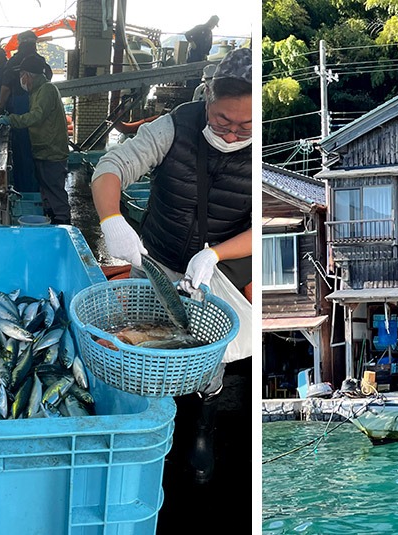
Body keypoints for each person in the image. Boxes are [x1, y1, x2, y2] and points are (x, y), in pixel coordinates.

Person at [90, 47, 252, 486]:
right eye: (222, 120)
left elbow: (262, 226)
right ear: (207, 99)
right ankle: (155, 425)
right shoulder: (174, 126)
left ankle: (203, 427)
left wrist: (215, 254)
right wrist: (112, 221)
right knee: (148, 338)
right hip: (157, 255)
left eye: (246, 126)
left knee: (206, 349)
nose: (233, 133)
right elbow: (112, 166)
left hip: (217, 265)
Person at [0, 54, 70, 225]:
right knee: (47, 190)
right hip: (44, 149)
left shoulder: (47, 90)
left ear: (29, 75)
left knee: (55, 190)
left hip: (52, 151)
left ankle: (63, 224)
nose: (21, 79)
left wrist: (11, 119)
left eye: (22, 75)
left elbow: (36, 116)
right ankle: (51, 220)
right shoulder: (37, 92)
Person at [0, 30, 52, 193]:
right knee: (35, 150)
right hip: (37, 105)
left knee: (21, 152)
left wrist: (1, 109)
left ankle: (24, 190)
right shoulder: (41, 62)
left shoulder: (14, 61)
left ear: (20, 43)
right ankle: (37, 190)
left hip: (20, 107)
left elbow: (5, 88)